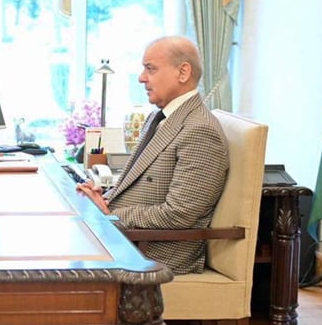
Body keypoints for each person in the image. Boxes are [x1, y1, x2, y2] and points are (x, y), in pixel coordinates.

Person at [76, 36, 229, 274]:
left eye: (150, 69)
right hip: (124, 239)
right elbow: (137, 186)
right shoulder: (158, 118)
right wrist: (102, 199)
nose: (141, 78)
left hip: (152, 254)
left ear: (183, 72)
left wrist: (111, 215)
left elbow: (179, 214)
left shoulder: (200, 130)